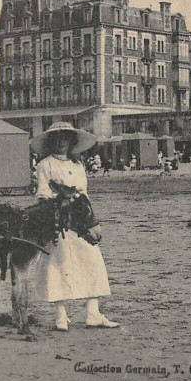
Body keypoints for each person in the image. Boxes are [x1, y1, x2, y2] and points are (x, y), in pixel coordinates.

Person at [30, 122, 119, 331]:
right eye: (57, 138)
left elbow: (83, 194)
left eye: (65, 138)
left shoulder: (78, 165)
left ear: (71, 142)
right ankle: (61, 316)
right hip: (57, 223)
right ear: (51, 142)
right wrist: (59, 202)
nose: (61, 143)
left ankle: (93, 313)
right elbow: (43, 195)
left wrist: (87, 215)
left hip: (79, 221)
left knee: (92, 261)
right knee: (56, 265)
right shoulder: (45, 165)